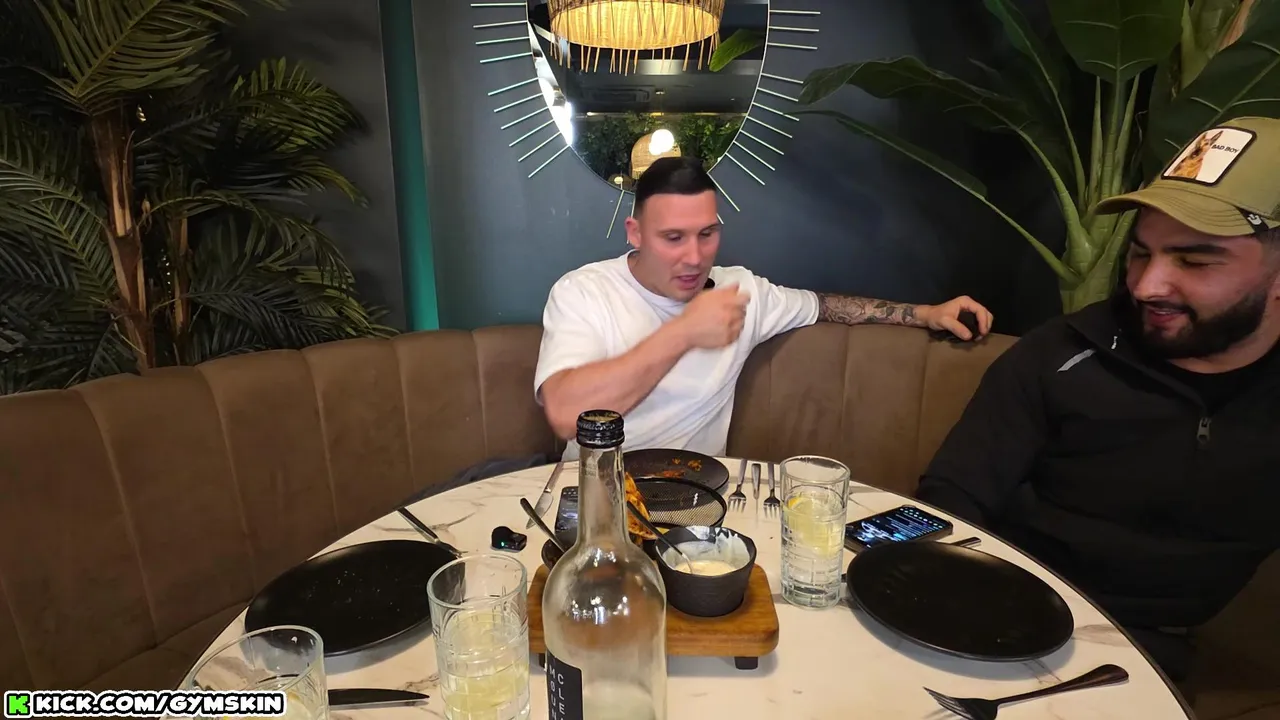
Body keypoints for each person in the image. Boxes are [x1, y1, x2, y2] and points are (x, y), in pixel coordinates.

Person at [915, 116, 1280, 683]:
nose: (1146, 286)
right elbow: (952, 497)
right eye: (1139, 253)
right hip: (1005, 608)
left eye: (1195, 260)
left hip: (1153, 650)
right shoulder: (1061, 353)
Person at [533, 156, 994, 460]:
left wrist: (924, 314)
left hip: (699, 502)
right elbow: (566, 413)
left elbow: (825, 306)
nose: (694, 257)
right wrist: (683, 332)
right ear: (634, 233)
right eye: (673, 238)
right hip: (595, 499)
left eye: (707, 234)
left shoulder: (740, 292)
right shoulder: (584, 292)